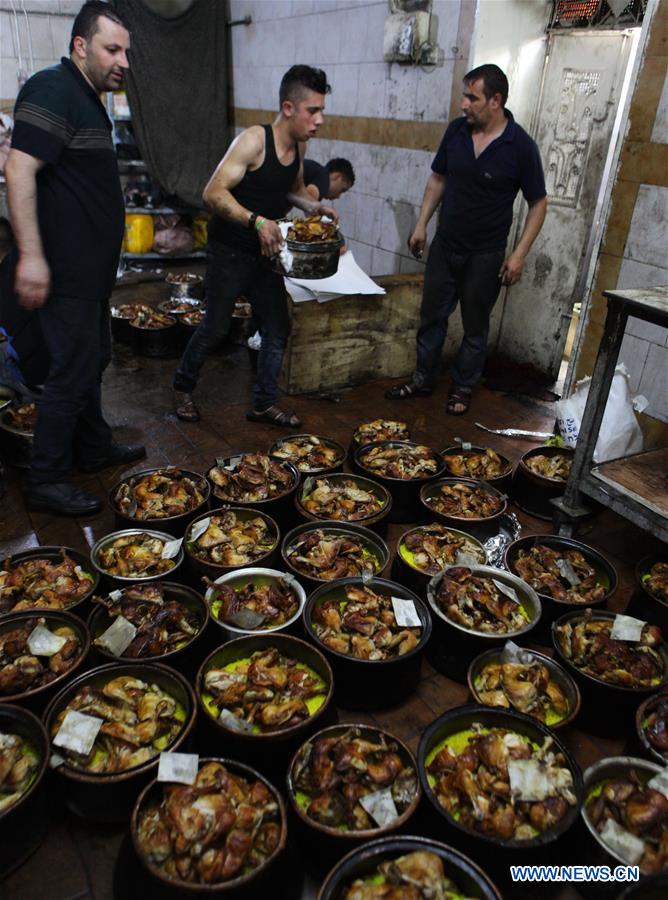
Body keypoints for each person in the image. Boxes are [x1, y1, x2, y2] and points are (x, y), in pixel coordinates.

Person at [5, 1, 145, 516]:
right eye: (113, 49)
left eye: (126, 51)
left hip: (90, 274)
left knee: (93, 360)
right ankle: (46, 479)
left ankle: (92, 447)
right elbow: (19, 171)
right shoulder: (53, 88)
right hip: (62, 271)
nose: (123, 61)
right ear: (80, 47)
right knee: (70, 370)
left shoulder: (87, 98)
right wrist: (32, 259)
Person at [172, 65, 336, 427]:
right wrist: (256, 221)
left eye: (322, 110)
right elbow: (212, 193)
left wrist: (312, 205)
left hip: (267, 253)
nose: (320, 119)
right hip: (230, 250)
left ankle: (263, 403)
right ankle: (183, 387)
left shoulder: (299, 144)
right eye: (313, 110)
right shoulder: (253, 141)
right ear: (289, 108)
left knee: (277, 326)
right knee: (216, 328)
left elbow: (289, 190)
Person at [386, 64, 547, 416]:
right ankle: (423, 378)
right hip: (446, 245)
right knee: (432, 317)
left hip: (485, 254)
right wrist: (421, 224)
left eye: (472, 97)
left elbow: (538, 203)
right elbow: (438, 179)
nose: (463, 104)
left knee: (475, 325)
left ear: (496, 101)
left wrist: (518, 254)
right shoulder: (457, 131)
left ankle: (462, 388)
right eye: (464, 96)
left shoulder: (520, 146)